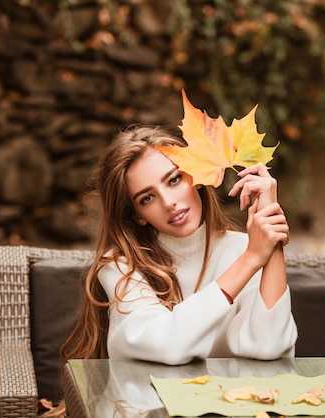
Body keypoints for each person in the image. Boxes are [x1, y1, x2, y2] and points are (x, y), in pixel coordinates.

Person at [61, 125, 298, 366]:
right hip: (149, 401)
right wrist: (251, 259)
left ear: (197, 178)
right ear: (137, 215)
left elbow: (269, 346)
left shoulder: (245, 248)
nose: (169, 202)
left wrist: (271, 232)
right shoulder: (120, 266)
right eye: (147, 198)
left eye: (174, 180)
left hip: (232, 401)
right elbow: (167, 345)